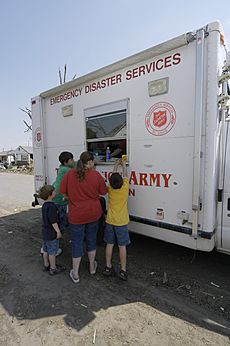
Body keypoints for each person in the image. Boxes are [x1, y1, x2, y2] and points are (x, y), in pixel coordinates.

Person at [59, 151, 107, 283]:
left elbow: (62, 191)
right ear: (90, 162)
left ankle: (75, 273)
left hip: (76, 215)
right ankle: (92, 267)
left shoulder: (69, 174)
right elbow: (103, 192)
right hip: (93, 213)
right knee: (91, 239)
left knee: (77, 242)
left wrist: (72, 198)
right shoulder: (96, 175)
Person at [40, 151, 75, 257]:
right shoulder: (67, 170)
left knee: (52, 223)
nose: (73, 161)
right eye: (71, 160)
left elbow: (75, 163)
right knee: (59, 224)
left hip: (57, 199)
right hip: (60, 200)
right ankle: (53, 249)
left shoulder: (62, 167)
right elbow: (78, 170)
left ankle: (45, 248)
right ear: (65, 162)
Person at [103, 158, 130, 281]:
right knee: (122, 246)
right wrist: (123, 164)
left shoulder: (110, 189)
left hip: (110, 221)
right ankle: (123, 270)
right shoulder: (124, 189)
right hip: (121, 222)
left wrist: (115, 165)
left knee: (109, 244)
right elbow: (125, 175)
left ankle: (108, 267)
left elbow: (112, 178)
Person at [38, 184, 66, 276]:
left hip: (45, 232)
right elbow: (53, 221)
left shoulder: (45, 205)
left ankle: (46, 265)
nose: (55, 192)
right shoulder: (52, 207)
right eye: (54, 191)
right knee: (52, 251)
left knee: (45, 250)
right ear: (50, 194)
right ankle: (53, 268)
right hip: (51, 233)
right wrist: (58, 231)